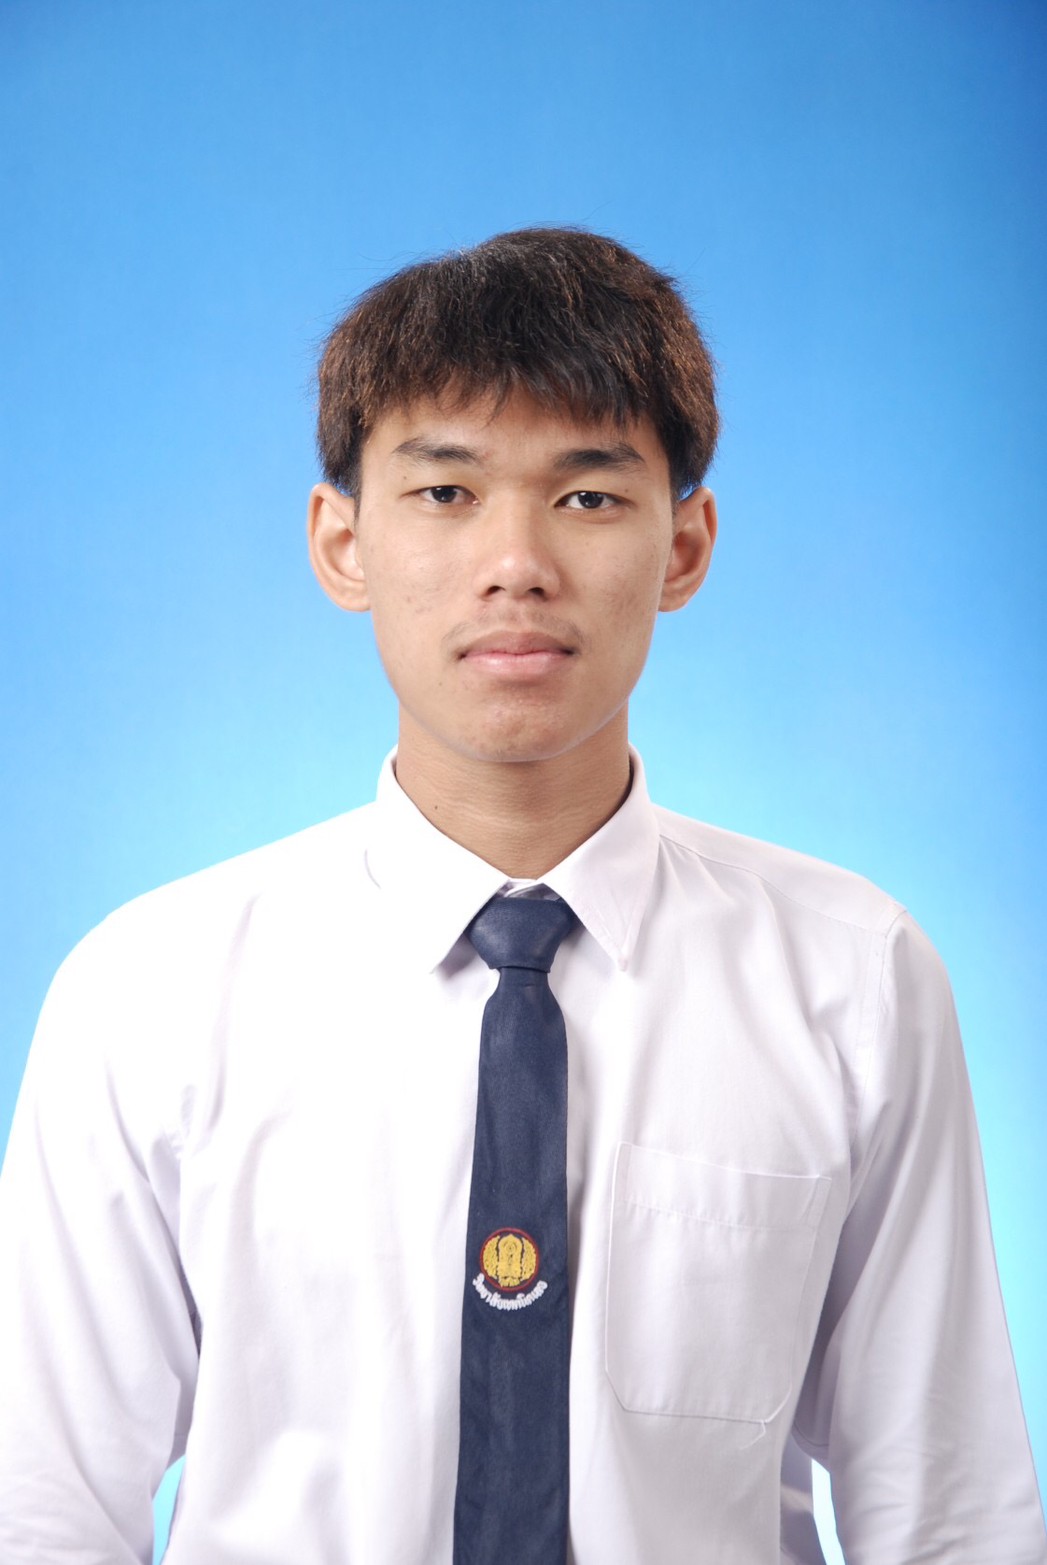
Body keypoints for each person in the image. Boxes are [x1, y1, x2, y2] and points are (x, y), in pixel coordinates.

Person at [0, 228, 1043, 1565]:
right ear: (343, 542)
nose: (517, 562)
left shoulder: (854, 977)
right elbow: (41, 1510)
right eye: (445, 492)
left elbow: (951, 1515)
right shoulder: (149, 992)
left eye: (589, 495)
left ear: (685, 544)